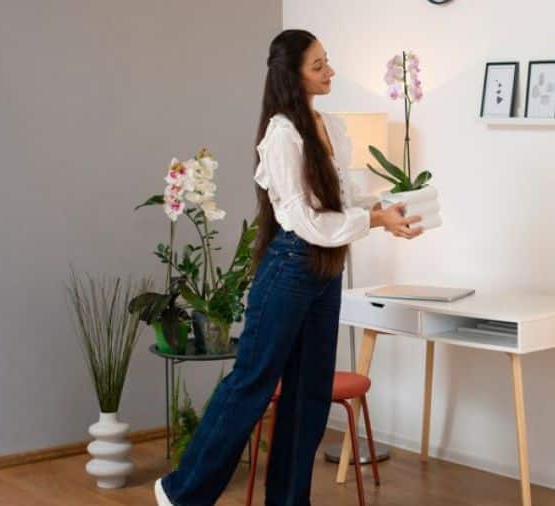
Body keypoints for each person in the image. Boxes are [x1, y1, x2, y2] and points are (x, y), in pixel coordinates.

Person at [155, 28, 423, 505]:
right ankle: (182, 493)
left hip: (326, 272)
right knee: (252, 385)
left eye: (327, 62)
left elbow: (339, 199)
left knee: (309, 395)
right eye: (318, 65)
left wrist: (386, 209)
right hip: (290, 268)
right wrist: (375, 220)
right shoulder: (281, 135)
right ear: (292, 75)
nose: (329, 72)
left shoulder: (330, 127)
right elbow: (305, 220)